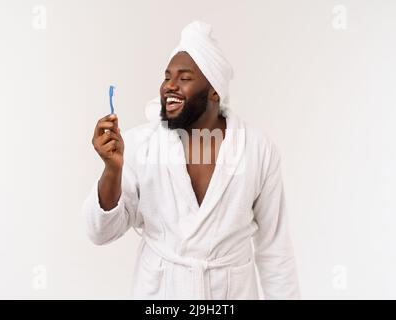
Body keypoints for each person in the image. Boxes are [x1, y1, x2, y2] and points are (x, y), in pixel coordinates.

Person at [82, 21, 300, 300]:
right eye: (166, 77)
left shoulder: (257, 149)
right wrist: (112, 169)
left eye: (184, 78)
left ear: (214, 90)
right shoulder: (140, 145)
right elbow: (99, 232)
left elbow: (275, 249)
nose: (169, 86)